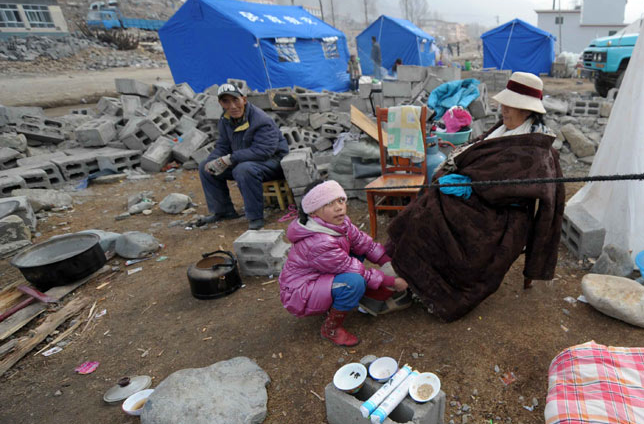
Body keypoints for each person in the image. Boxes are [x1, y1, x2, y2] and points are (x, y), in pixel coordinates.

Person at [384, 71, 565, 321]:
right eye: (504, 103)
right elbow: (477, 148)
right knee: (430, 200)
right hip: (479, 198)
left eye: (511, 105)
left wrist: (471, 184)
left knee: (435, 210)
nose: (504, 109)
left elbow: (514, 188)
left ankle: (433, 286)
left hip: (501, 213)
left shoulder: (535, 150)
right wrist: (456, 170)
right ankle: (405, 266)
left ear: (527, 111)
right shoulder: (504, 129)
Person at [278, 181, 410, 347]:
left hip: (319, 276)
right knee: (354, 282)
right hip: (301, 292)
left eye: (340, 200)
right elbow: (356, 271)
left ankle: (350, 298)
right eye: (329, 204)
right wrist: (393, 281)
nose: (339, 208)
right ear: (313, 212)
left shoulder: (340, 224)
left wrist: (390, 264)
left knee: (358, 251)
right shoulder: (318, 241)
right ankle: (331, 328)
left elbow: (365, 244)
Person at [198, 83, 289, 230]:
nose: (232, 106)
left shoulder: (261, 120)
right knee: (205, 167)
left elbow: (263, 151)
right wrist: (212, 161)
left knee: (243, 169)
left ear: (244, 100)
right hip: (245, 159)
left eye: (235, 100)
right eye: (226, 102)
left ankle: (255, 217)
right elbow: (223, 146)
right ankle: (223, 211)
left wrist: (230, 159)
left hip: (273, 162)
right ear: (221, 103)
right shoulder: (225, 119)